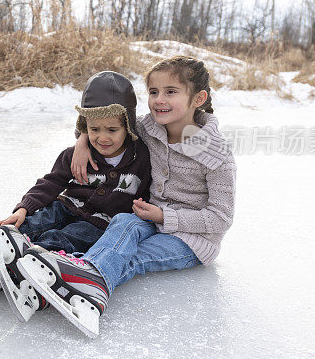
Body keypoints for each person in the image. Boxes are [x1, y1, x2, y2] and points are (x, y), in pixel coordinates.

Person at [15, 56, 236, 337]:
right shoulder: (151, 127)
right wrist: (81, 140)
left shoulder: (216, 154)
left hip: (190, 239)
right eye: (154, 92)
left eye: (171, 92)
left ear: (198, 98)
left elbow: (220, 218)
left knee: (126, 256)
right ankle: (58, 274)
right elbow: (105, 122)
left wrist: (164, 216)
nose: (159, 100)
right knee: (123, 223)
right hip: (147, 216)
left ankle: (88, 287)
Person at [0, 71, 152, 320]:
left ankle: (24, 267)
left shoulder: (142, 159)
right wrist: (23, 209)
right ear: (84, 127)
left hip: (99, 224)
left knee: (63, 238)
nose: (103, 137)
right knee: (35, 223)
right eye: (94, 129)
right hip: (64, 206)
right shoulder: (75, 154)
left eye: (112, 129)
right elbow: (51, 183)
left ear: (128, 126)